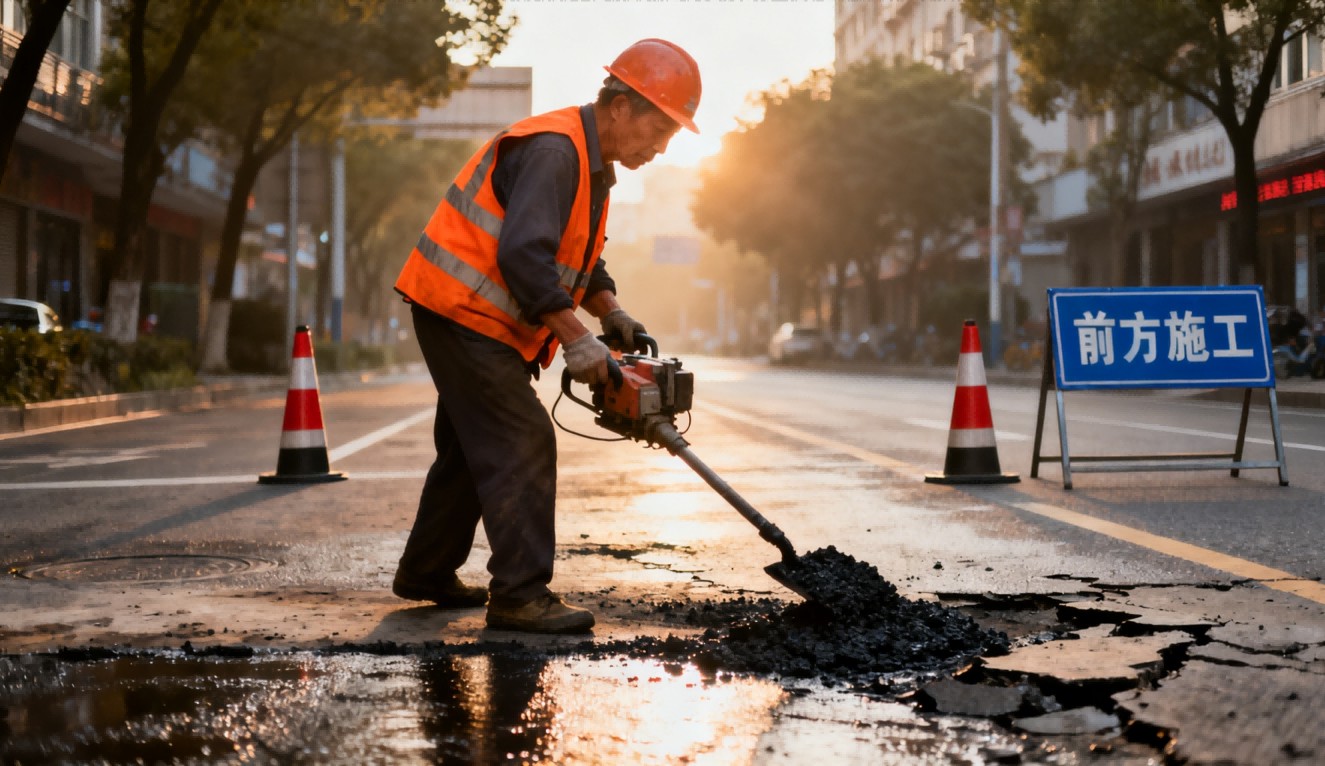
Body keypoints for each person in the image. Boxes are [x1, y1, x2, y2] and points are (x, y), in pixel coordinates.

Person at [391, 39, 702, 634]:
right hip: (464, 312)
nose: (661, 146)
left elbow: (577, 258)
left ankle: (426, 571)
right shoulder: (556, 152)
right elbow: (524, 257)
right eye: (660, 129)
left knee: (470, 448)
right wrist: (578, 339)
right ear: (621, 107)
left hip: (474, 317)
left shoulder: (591, 165)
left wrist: (611, 312)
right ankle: (520, 595)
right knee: (522, 439)